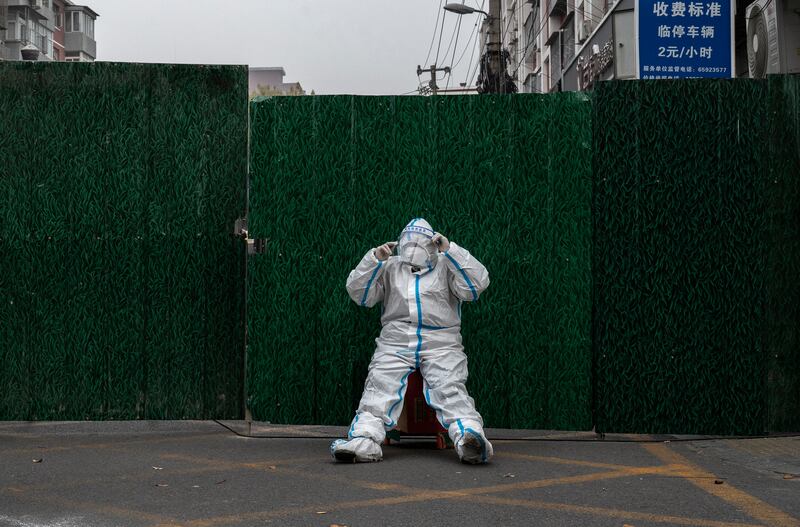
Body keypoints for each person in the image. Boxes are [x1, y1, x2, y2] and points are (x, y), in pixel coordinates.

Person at [330, 218, 493, 464]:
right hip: (395, 341)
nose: (415, 249)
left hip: (441, 341)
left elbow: (476, 285)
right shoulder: (391, 267)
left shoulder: (446, 266)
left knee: (449, 387)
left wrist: (451, 251)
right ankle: (363, 440)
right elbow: (360, 294)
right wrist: (375, 258)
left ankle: (470, 438)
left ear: (433, 244)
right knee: (379, 387)